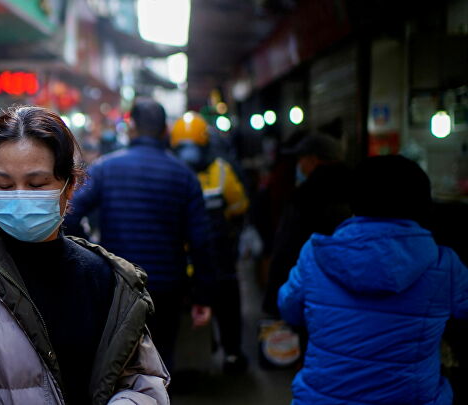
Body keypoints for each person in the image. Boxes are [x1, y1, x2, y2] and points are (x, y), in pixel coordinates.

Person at [0, 106, 170, 405]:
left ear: (68, 187)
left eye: (37, 184)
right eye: (4, 185)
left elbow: (143, 384)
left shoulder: (106, 277)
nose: (20, 195)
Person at [278, 155, 467, 404]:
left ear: (353, 200)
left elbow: (288, 308)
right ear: (422, 203)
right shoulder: (445, 265)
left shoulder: (315, 255)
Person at [64, 98, 215, 369]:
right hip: (168, 286)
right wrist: (202, 295)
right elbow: (201, 241)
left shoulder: (105, 168)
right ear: (164, 131)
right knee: (160, 359)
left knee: (116, 361)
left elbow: (70, 213)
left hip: (117, 282)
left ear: (130, 127)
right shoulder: (184, 176)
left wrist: (88, 253)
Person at [171, 111, 249, 373]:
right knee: (228, 303)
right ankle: (233, 355)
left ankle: (177, 361)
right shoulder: (221, 170)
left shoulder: (173, 172)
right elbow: (239, 205)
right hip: (218, 255)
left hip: (180, 259)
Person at [263, 132, 351, 316]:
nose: (299, 166)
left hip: (310, 298)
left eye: (301, 160)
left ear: (313, 160)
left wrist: (273, 302)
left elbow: (286, 252)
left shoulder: (304, 197)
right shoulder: (358, 192)